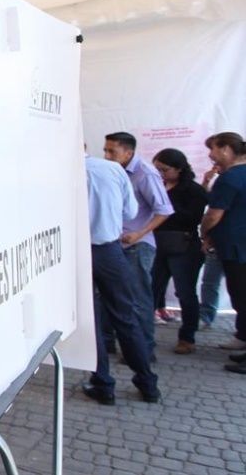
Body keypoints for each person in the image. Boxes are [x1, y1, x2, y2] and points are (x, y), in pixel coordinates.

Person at [83, 154, 161, 405]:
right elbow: (131, 211)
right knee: (125, 317)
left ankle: (103, 384)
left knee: (90, 320)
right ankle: (148, 384)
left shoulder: (57, 171)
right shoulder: (112, 169)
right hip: (110, 250)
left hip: (78, 254)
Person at [103, 132, 173, 360]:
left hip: (138, 245)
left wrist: (138, 234)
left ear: (128, 152)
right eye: (105, 150)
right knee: (111, 296)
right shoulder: (112, 171)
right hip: (114, 244)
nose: (107, 155)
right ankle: (112, 344)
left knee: (138, 298)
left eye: (112, 151)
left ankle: (143, 350)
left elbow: (164, 210)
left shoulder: (145, 173)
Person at [151, 149, 207, 354]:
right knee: (150, 291)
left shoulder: (194, 191)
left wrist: (165, 207)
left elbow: (192, 219)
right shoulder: (156, 187)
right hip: (156, 244)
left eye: (164, 170)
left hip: (184, 246)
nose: (160, 174)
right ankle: (145, 340)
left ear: (179, 169)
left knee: (185, 293)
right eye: (156, 169)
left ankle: (187, 337)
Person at [200, 132, 246, 370]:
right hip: (238, 244)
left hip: (236, 246)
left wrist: (204, 232)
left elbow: (214, 214)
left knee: (242, 296)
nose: (211, 155)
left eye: (214, 149)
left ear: (227, 149)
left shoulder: (230, 178)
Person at [198, 165, 225, 329]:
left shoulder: (233, 180)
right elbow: (206, 200)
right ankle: (206, 316)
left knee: (237, 286)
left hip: (233, 242)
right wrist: (206, 181)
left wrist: (204, 233)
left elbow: (213, 214)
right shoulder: (221, 181)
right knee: (210, 282)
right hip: (215, 240)